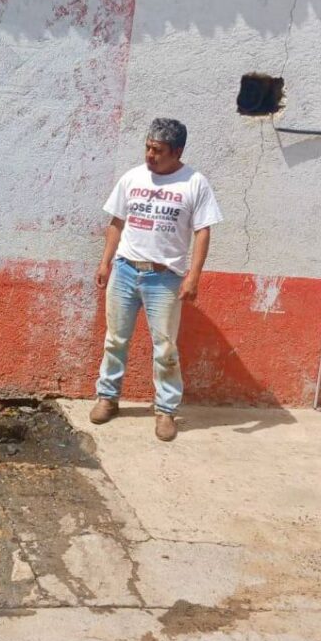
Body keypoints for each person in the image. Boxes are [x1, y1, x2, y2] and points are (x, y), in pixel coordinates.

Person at [91, 118, 222, 441]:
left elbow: (203, 232)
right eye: (148, 147)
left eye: (158, 150)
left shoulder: (195, 183)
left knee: (165, 348)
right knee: (115, 340)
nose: (150, 155)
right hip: (124, 270)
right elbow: (116, 222)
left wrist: (193, 276)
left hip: (164, 279)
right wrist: (105, 262)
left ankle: (165, 410)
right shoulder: (132, 178)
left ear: (177, 151)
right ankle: (108, 398)